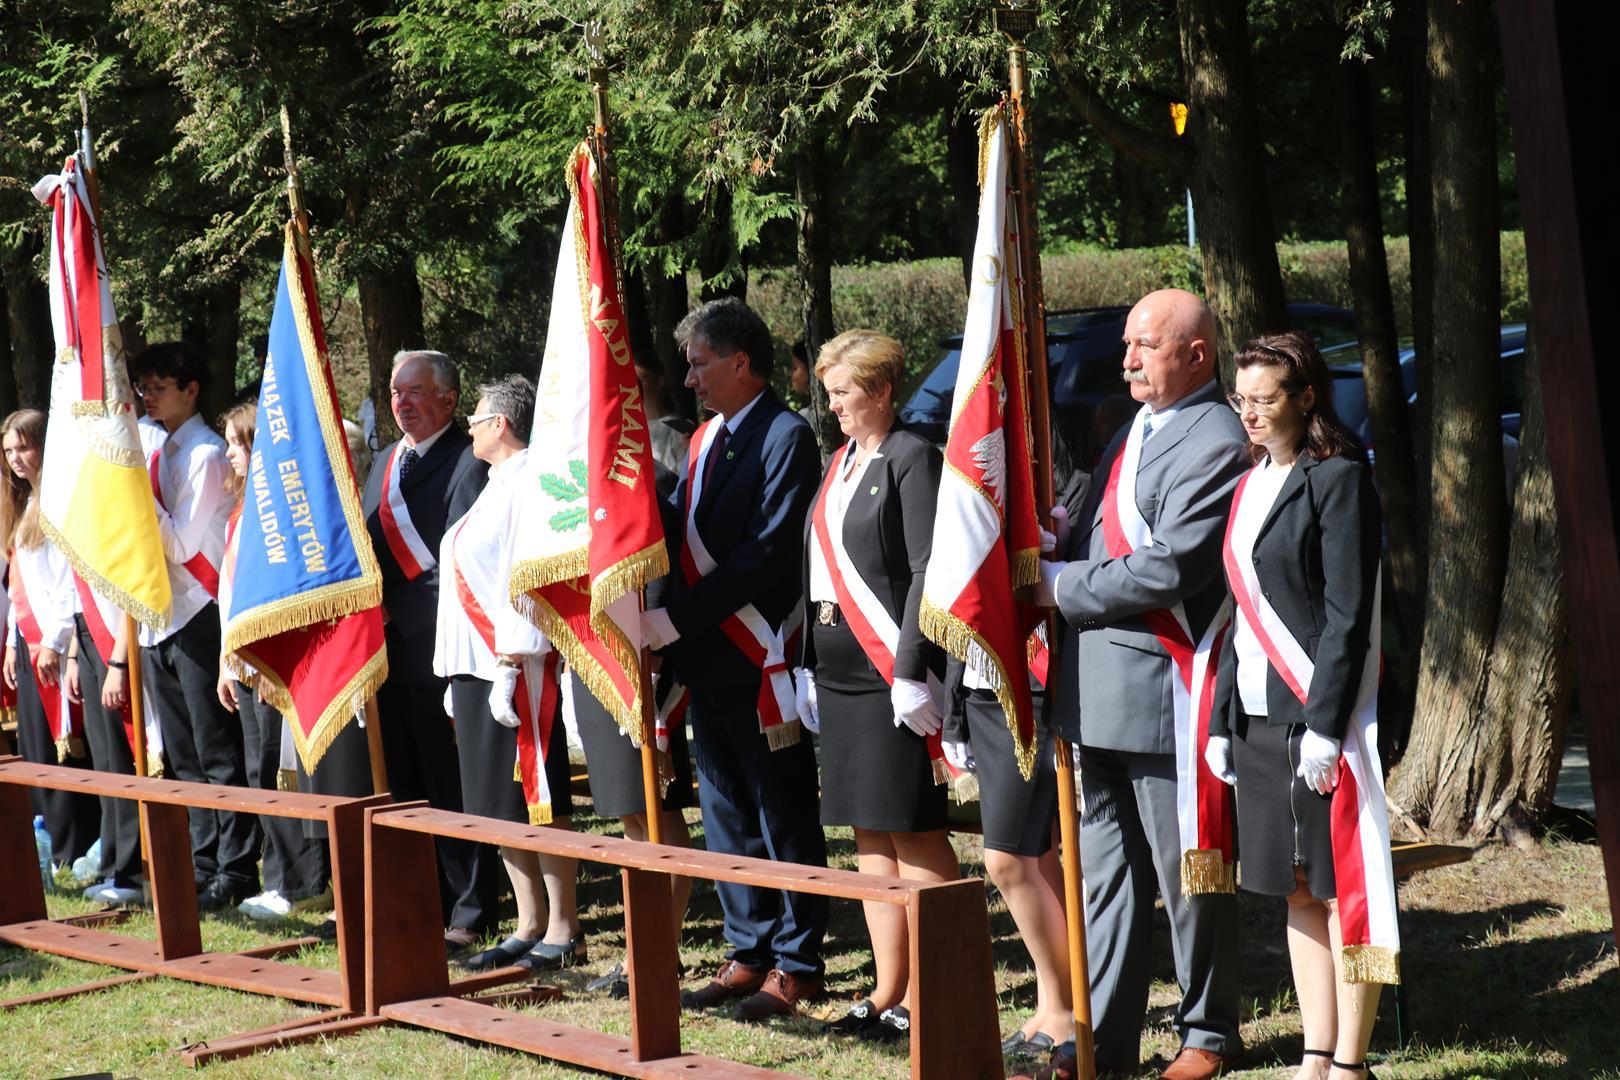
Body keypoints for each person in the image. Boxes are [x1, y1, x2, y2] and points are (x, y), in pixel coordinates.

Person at [1036, 289, 1249, 1080]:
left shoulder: (1215, 436)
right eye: (1126, 344)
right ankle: (1104, 1040)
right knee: (1107, 883)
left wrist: (1060, 586)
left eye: (1145, 346)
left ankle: (1207, 1035)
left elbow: (1170, 566)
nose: (1126, 360)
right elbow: (1105, 537)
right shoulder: (1136, 428)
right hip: (1094, 691)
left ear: (1196, 355)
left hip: (1165, 689)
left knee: (1191, 875)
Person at [1206, 332, 1389, 1080]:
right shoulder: (1248, 483)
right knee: (1297, 891)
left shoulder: (1338, 479)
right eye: (1240, 399)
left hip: (1320, 716)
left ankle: (1351, 1062)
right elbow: (1238, 613)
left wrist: (1324, 724)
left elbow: (1348, 614)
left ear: (1306, 397)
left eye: (1264, 399)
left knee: (1343, 888)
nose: (1249, 413)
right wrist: (1222, 718)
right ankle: (1315, 1052)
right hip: (1257, 715)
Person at [646, 297, 828, 1020]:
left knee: (781, 809)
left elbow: (766, 550)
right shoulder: (702, 440)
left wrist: (675, 617)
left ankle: (798, 961)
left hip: (760, 655)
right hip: (706, 656)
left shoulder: (785, 435)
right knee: (725, 810)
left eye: (699, 364)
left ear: (740, 363)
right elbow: (687, 534)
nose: (689, 380)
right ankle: (748, 949)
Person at [791, 330, 956, 1042]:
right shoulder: (841, 461)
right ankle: (889, 986)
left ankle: (931, 987)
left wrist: (911, 669)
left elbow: (925, 570)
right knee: (868, 830)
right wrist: (805, 661)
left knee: (910, 828)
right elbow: (816, 568)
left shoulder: (913, 457)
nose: (831, 406)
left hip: (888, 669)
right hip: (838, 673)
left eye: (843, 392)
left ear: (883, 391)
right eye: (828, 393)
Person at [432, 373, 582, 973]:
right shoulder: (494, 484)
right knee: (496, 804)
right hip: (475, 667)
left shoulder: (527, 483)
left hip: (514, 665)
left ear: (500, 423)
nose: (468, 427)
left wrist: (510, 663)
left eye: (474, 417)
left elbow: (522, 582)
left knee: (537, 797)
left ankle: (564, 926)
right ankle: (528, 922)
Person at [361, 348, 492, 950]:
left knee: (449, 783)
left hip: (440, 647)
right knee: (405, 782)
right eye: (396, 392)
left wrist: (401, 608)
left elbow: (464, 560)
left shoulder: (469, 462)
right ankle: (422, 899)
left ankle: (471, 907)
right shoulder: (385, 462)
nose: (403, 403)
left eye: (415, 391)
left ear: (448, 398)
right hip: (385, 652)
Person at [131, 343, 261, 912]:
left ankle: (236, 867)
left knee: (217, 751)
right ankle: (203, 862)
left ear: (191, 390)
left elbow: (182, 543)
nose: (148, 397)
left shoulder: (206, 453)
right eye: (144, 388)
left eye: (159, 387)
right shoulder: (156, 446)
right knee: (183, 754)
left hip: (199, 612)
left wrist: (136, 499)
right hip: (161, 615)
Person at [567, 460, 698, 998]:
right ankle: (639, 947)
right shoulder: (574, 472)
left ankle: (660, 947)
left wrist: (654, 661)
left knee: (657, 812)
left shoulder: (639, 474)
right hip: (596, 657)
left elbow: (659, 568)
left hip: (639, 660)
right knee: (629, 813)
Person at [213, 402, 332, 920]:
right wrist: (227, 662)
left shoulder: (280, 508)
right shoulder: (241, 509)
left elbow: (284, 592)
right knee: (259, 770)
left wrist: (271, 663)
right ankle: (279, 876)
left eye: (238, 443)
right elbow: (230, 592)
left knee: (283, 769)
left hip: (272, 663)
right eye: (228, 443)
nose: (229, 453)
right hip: (242, 660)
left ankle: (303, 883)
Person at [1, 409, 100, 870]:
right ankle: (53, 841)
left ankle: (76, 841)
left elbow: (66, 579)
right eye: (9, 451)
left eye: (24, 447)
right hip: (28, 639)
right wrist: (12, 644)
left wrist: (56, 639)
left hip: (55, 639)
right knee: (38, 745)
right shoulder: (24, 504)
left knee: (67, 744)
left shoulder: (60, 499)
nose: (16, 458)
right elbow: (18, 586)